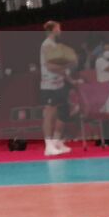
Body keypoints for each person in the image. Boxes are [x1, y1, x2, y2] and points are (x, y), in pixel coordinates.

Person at [39, 21, 75, 157]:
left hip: (59, 85)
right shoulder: (47, 45)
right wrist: (68, 65)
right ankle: (48, 146)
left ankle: (57, 141)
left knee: (64, 112)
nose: (60, 31)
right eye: (58, 28)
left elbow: (59, 68)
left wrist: (71, 80)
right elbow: (50, 67)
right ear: (53, 30)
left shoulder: (55, 45)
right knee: (50, 114)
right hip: (49, 86)